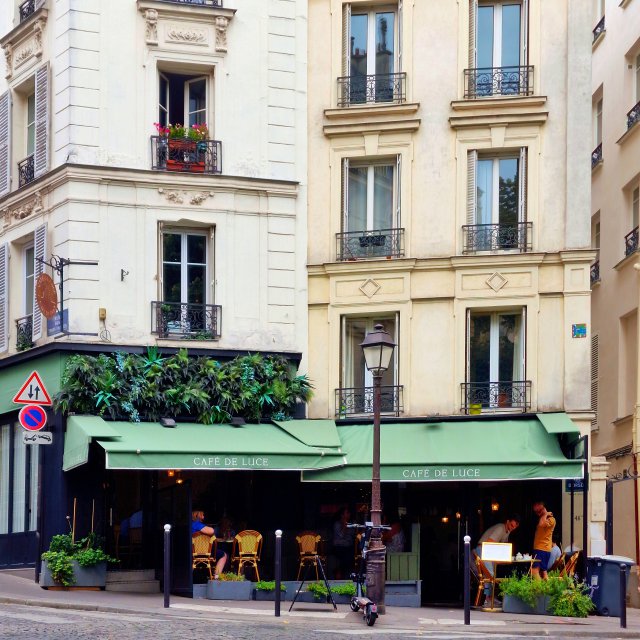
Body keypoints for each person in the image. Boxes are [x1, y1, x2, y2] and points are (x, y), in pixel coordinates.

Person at [191, 510, 227, 578]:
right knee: (223, 555)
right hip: (204, 552)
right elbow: (211, 531)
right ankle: (217, 577)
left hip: (192, 552)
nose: (204, 517)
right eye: (202, 515)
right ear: (198, 516)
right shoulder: (196, 524)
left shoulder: (190, 524)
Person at [531, 501, 556, 579]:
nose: (537, 513)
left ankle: (540, 590)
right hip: (542, 549)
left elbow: (541, 524)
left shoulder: (551, 519)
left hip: (541, 548)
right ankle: (547, 590)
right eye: (536, 511)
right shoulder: (543, 518)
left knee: (534, 571)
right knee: (544, 573)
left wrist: (545, 514)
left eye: (539, 510)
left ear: (543, 508)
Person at [332, 506, 355, 579]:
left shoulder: (351, 524)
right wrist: (344, 525)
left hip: (349, 547)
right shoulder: (337, 524)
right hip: (339, 547)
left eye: (349, 513)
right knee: (345, 555)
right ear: (342, 515)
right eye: (347, 513)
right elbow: (341, 535)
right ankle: (339, 573)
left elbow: (353, 535)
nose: (349, 515)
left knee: (351, 554)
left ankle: (342, 573)